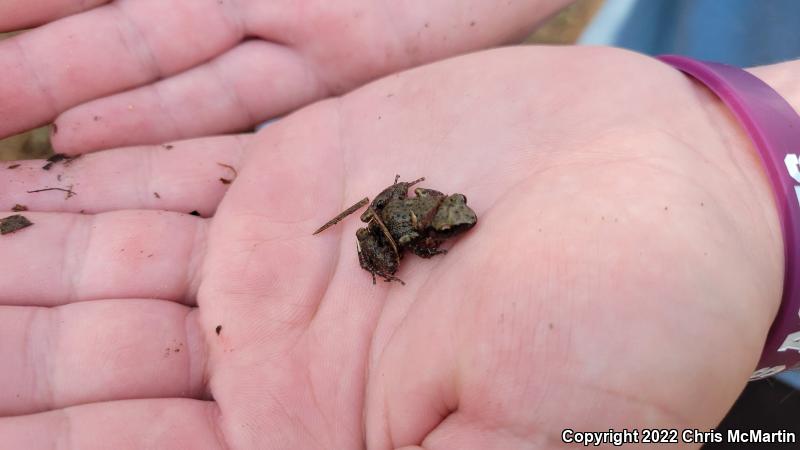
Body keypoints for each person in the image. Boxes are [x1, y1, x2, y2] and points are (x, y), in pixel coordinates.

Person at [0, 2, 796, 448]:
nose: (465, 222)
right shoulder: (422, 225)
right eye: (457, 219)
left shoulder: (450, 221)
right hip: (675, 60)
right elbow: (402, 222)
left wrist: (738, 176)